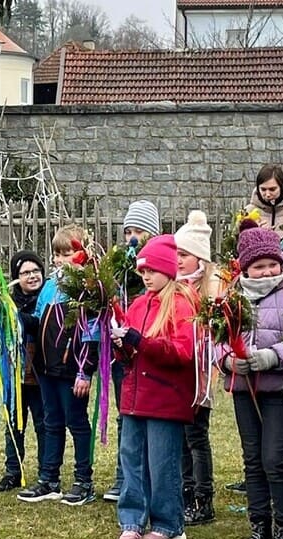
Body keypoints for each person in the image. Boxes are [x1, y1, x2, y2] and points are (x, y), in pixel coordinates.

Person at [222, 220, 283, 539]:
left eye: (273, 264)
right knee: (253, 459)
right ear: (246, 268)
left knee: (274, 458)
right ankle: (260, 527)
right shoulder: (233, 296)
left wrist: (273, 356)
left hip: (278, 389)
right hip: (245, 389)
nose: (268, 271)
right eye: (259, 266)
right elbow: (216, 336)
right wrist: (227, 360)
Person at [112, 235, 199, 539]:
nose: (146, 276)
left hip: (165, 397)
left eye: (152, 270)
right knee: (131, 459)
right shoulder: (138, 304)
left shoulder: (182, 304)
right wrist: (121, 346)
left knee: (162, 464)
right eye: (143, 271)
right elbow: (130, 354)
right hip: (135, 395)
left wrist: (140, 341)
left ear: (167, 270)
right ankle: (132, 521)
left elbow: (182, 352)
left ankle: (168, 523)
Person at [17, 225, 99, 506]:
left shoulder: (88, 288)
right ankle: (49, 479)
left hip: (72, 370)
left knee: (76, 423)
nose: (59, 259)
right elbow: (38, 320)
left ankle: (83, 481)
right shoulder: (51, 286)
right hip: (46, 368)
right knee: (51, 422)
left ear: (82, 254)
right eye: (56, 254)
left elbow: (92, 334)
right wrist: (14, 315)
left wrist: (85, 371)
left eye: (66, 254)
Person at [105, 200, 161, 503]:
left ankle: (150, 477)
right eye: (128, 232)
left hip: (150, 352)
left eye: (139, 231)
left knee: (149, 418)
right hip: (123, 353)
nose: (132, 238)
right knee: (125, 414)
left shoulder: (156, 274)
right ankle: (123, 477)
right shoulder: (120, 273)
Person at [173, 211, 218, 526]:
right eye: (176, 253)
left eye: (185, 254)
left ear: (199, 258)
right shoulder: (173, 286)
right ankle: (185, 492)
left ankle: (203, 498)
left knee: (196, 436)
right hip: (177, 370)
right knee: (181, 437)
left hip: (199, 372)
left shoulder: (211, 288)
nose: (178, 260)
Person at [0, 251, 48, 492]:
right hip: (14, 371)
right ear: (17, 277)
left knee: (43, 423)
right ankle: (13, 471)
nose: (32, 276)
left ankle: (46, 471)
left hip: (39, 372)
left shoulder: (48, 298)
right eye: (25, 272)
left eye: (36, 271)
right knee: (14, 423)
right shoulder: (8, 302)